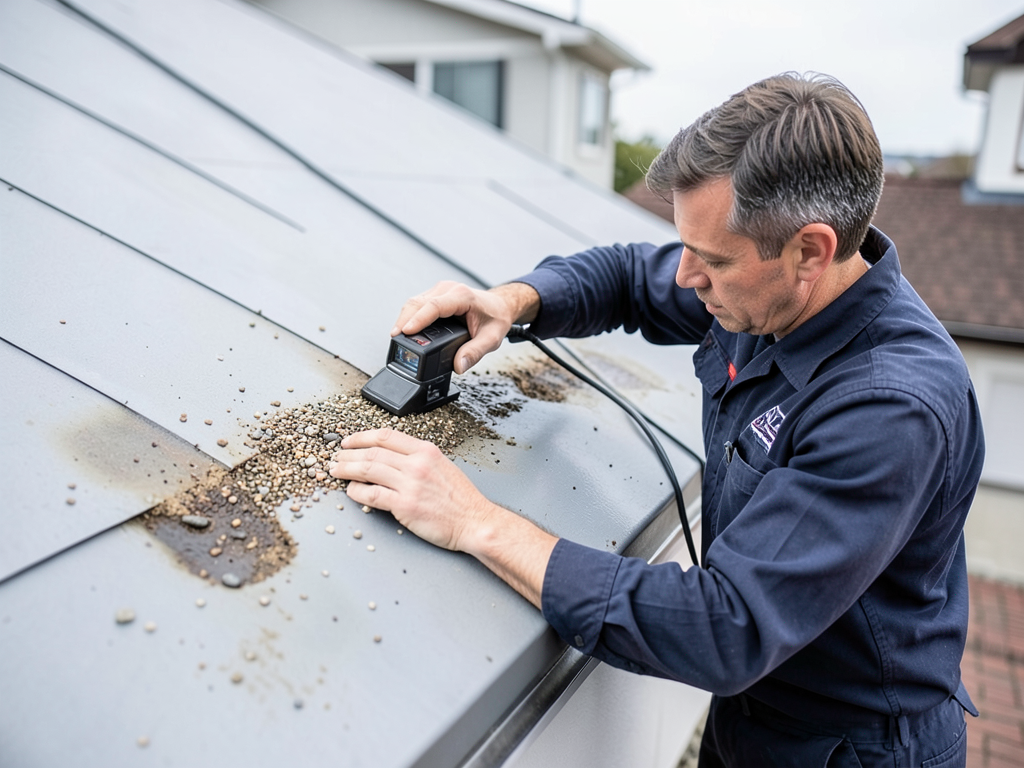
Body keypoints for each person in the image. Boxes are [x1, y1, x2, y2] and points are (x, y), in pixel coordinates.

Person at [329, 73, 984, 766]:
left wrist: (475, 521)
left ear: (811, 252)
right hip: (753, 715)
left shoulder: (889, 408)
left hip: (847, 746)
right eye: (688, 248)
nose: (684, 279)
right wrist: (512, 302)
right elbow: (628, 276)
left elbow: (725, 628)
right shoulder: (769, 289)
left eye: (711, 261)